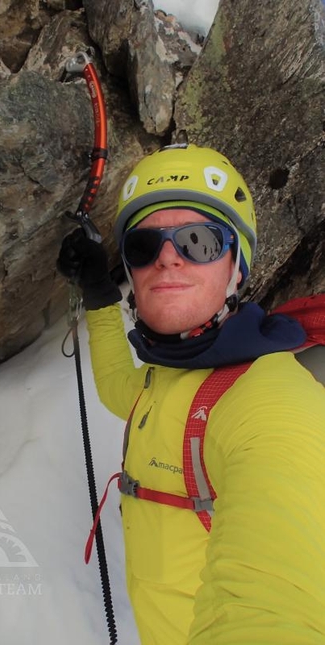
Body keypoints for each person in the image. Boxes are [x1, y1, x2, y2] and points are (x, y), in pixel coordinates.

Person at [57, 143, 325, 644]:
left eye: (198, 241)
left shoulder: (269, 401)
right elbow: (121, 389)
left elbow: (275, 607)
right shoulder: (167, 379)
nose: (166, 260)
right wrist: (97, 292)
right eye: (143, 246)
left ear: (237, 270)